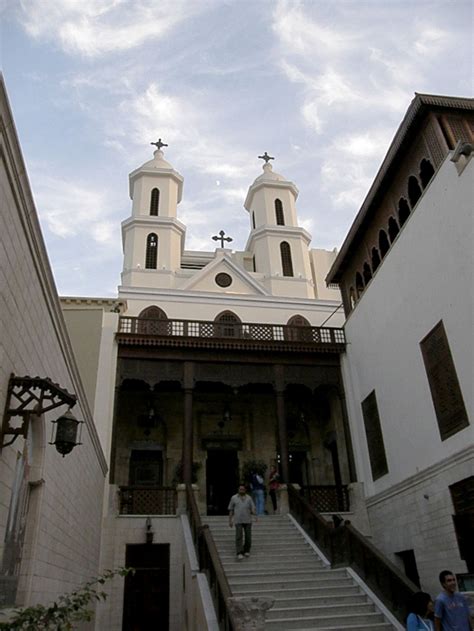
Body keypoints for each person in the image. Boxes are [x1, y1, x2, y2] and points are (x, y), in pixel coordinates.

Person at [228, 484, 257, 560]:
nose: (241, 490)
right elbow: (231, 509)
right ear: (238, 490)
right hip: (238, 520)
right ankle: (239, 552)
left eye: (242, 489)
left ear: (245, 490)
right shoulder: (234, 498)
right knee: (238, 536)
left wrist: (255, 515)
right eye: (240, 489)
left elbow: (253, 508)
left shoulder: (249, 498)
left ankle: (246, 550)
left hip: (247, 520)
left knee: (248, 537)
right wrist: (230, 520)